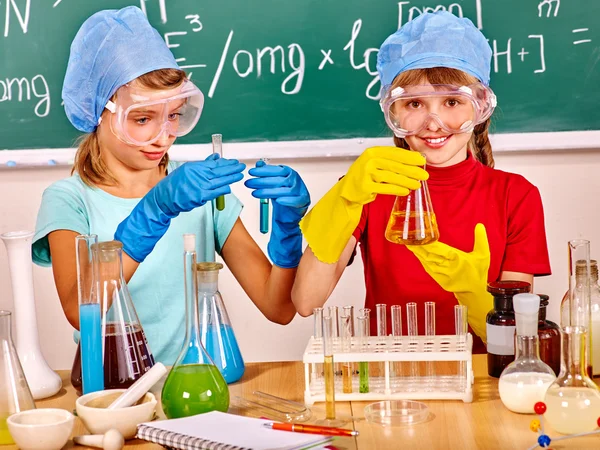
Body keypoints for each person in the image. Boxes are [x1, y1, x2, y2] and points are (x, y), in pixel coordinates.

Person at [32, 6, 310, 364]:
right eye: (143, 118)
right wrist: (152, 212)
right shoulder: (69, 200)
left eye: (174, 115)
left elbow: (279, 308)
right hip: (115, 390)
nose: (162, 137)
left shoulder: (200, 190)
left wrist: (289, 233)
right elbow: (77, 310)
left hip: (201, 385)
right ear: (99, 111)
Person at [293, 11, 550, 351]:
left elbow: (518, 340)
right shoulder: (365, 189)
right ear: (393, 111)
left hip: (482, 375)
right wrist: (344, 199)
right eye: (414, 103)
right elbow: (306, 301)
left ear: (480, 107)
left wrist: (474, 294)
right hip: (389, 379)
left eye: (452, 102)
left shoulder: (516, 195)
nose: (434, 122)